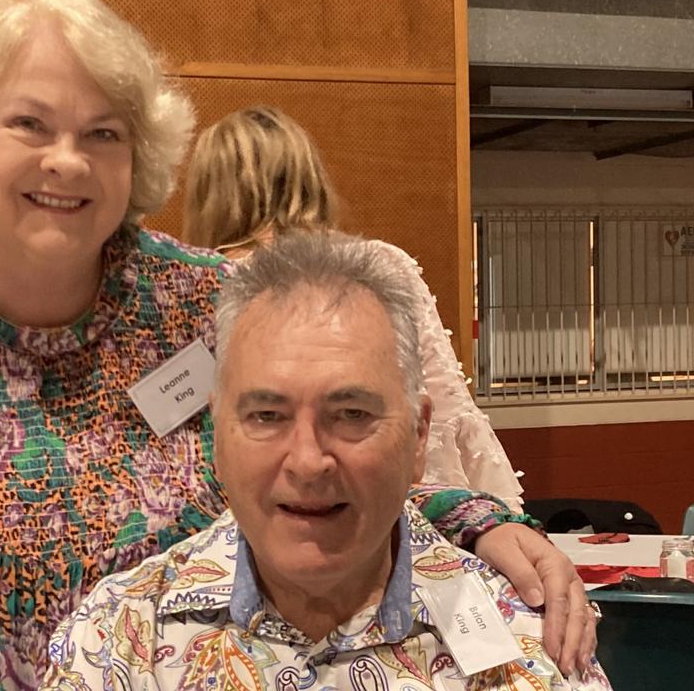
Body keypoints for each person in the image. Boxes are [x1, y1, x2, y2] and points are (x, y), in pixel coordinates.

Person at [0, 0, 593, 688]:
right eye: (29, 124)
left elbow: (332, 459)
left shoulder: (210, 306)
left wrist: (478, 521)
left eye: (103, 132)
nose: (67, 160)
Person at [45, 231, 610, 690]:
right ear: (216, 435)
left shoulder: (532, 649)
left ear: (418, 436)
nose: (309, 461)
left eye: (351, 414)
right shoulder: (116, 643)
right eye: (266, 416)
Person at [183, 105, 524, 510]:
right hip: (410, 508)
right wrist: (483, 517)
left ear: (208, 192)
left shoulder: (202, 282)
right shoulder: (382, 264)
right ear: (310, 177)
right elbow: (448, 406)